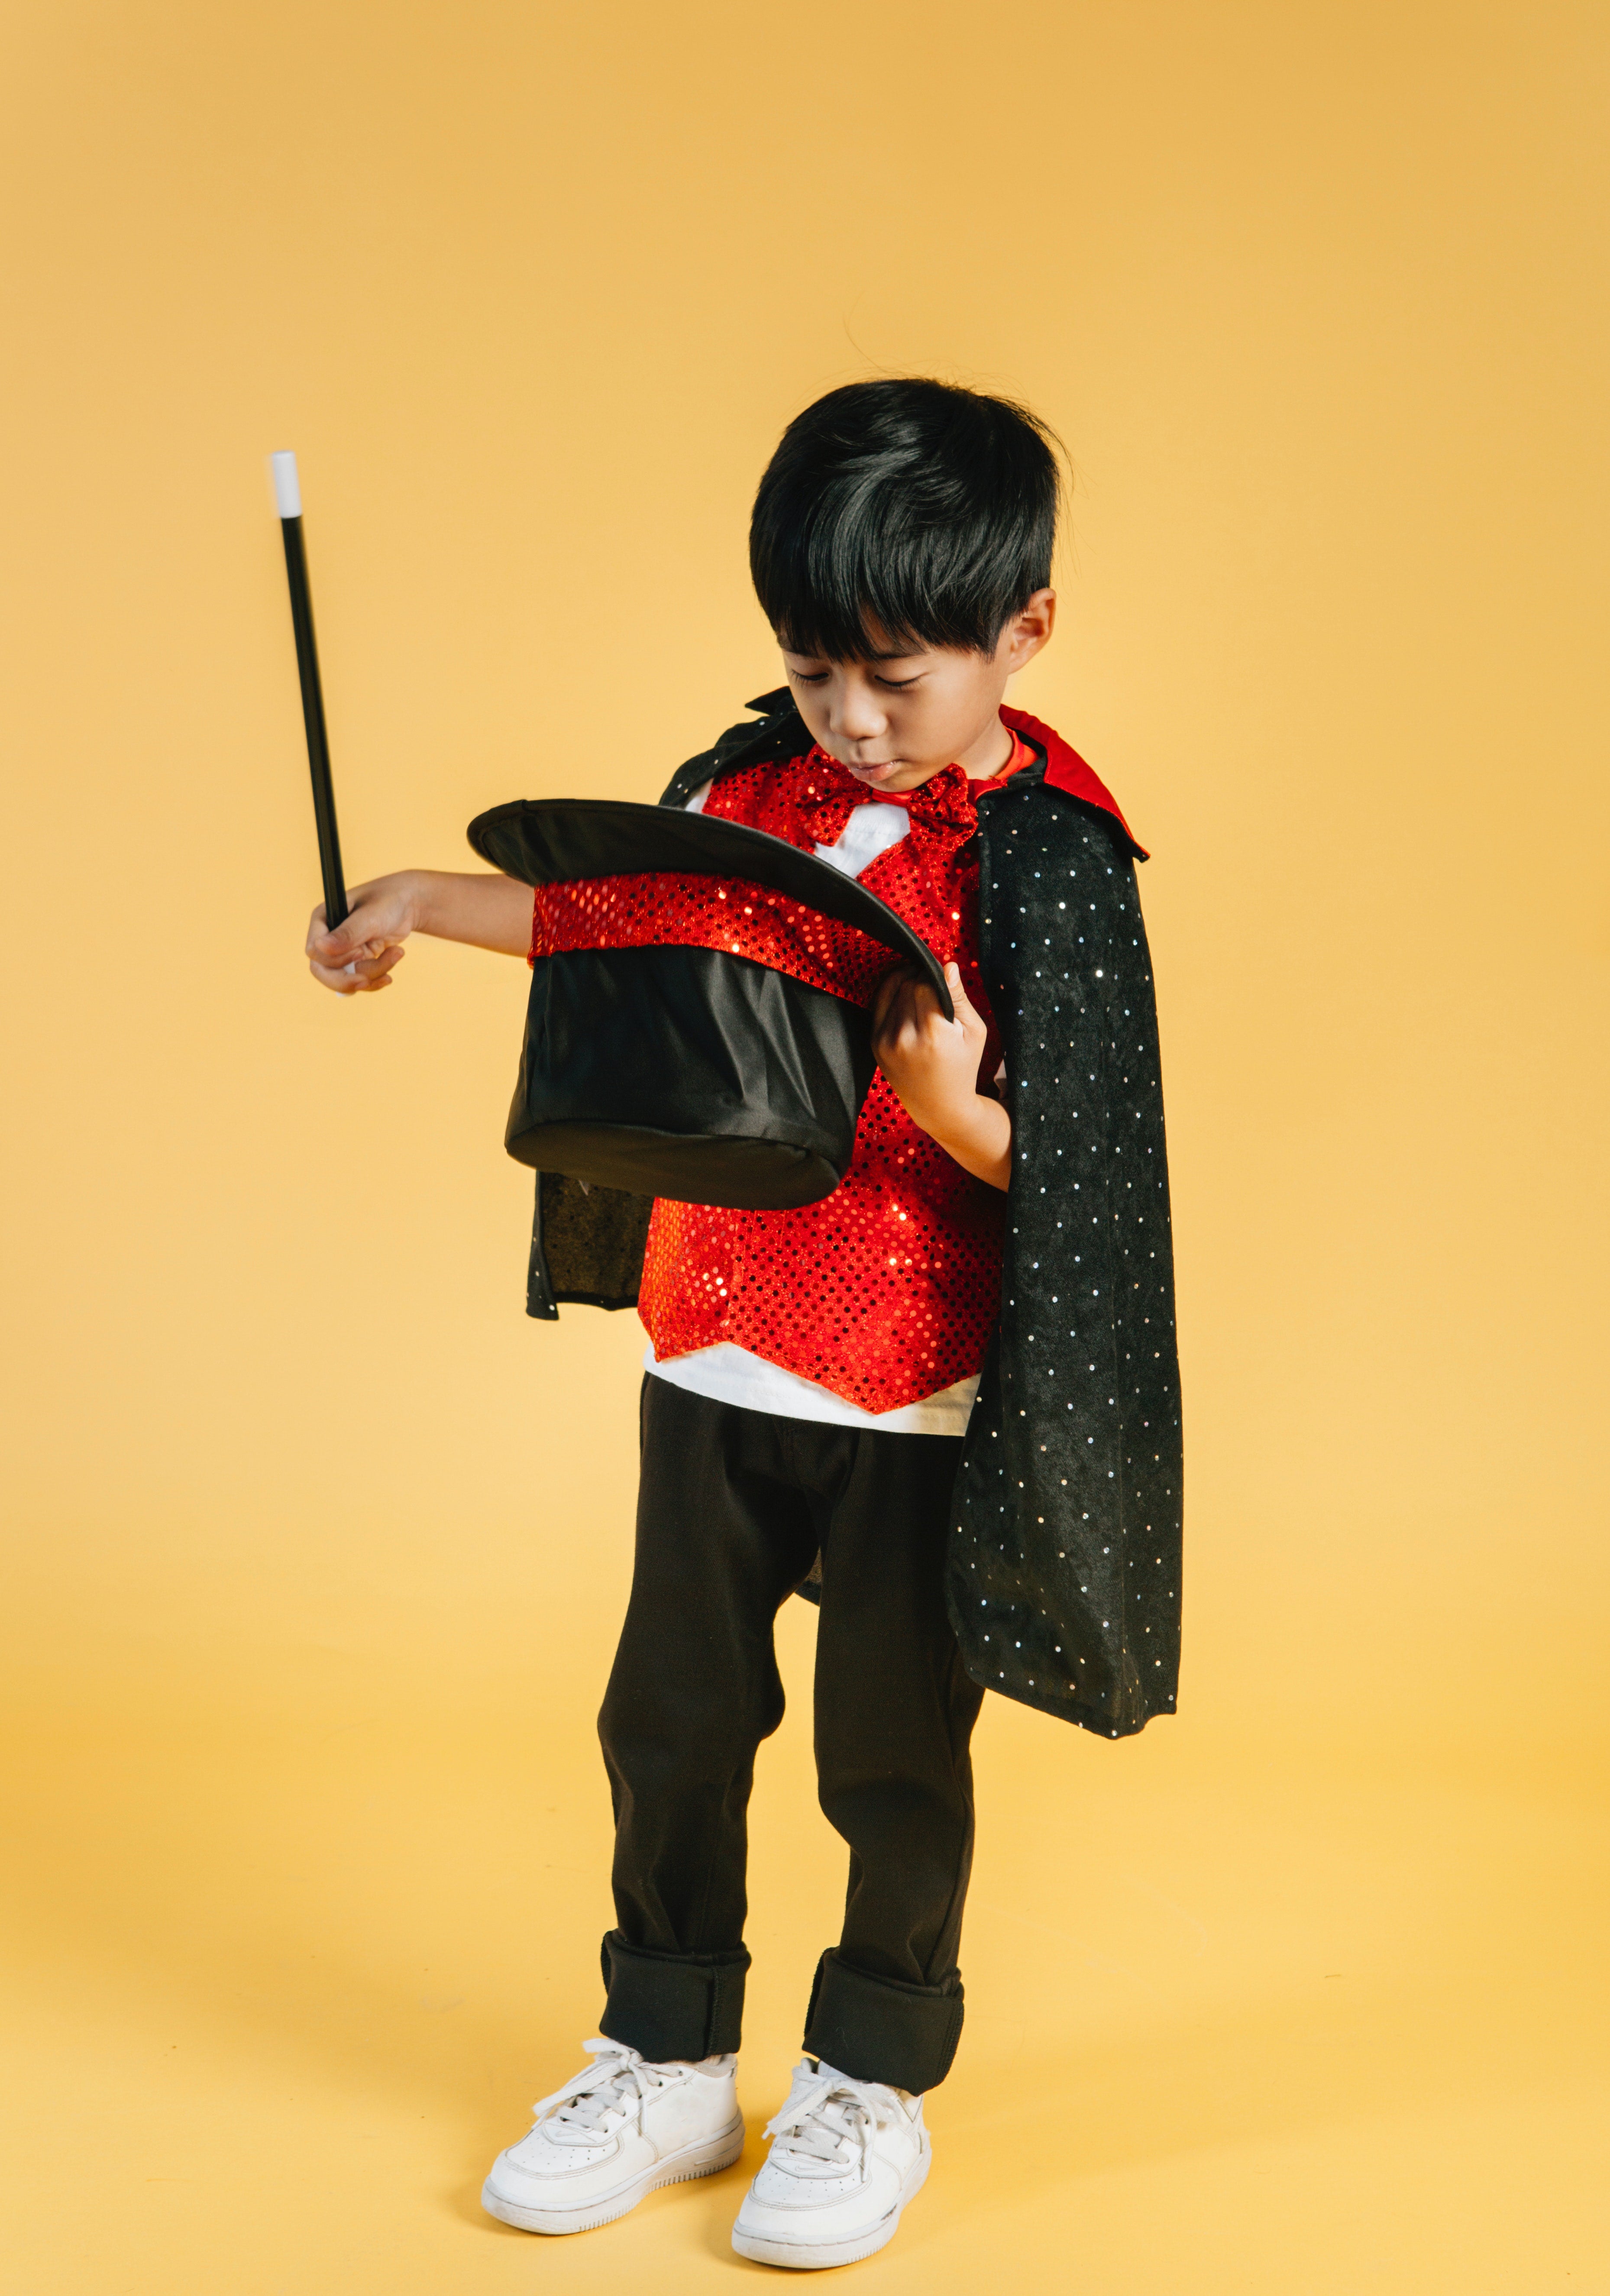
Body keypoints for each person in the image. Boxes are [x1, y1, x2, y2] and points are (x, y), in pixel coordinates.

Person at [304, 378, 1182, 2270]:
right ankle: (668, 2041)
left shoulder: (1046, 855)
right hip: (711, 1348)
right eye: (812, 673)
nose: (851, 722)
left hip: (917, 1387)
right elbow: (610, 931)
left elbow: (1096, 1175)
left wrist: (958, 1117)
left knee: (889, 1749)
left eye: (899, 676)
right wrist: (416, 904)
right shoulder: (741, 791)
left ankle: (870, 2070)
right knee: (673, 1718)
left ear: (1023, 629)